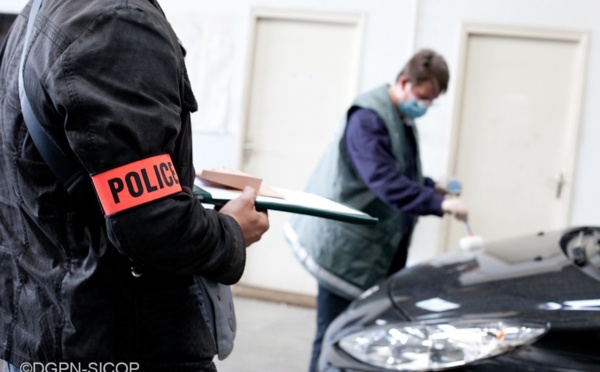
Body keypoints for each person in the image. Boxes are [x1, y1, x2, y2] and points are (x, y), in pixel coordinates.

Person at [0, 0, 269, 371]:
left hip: (41, 326)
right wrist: (232, 232)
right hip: (115, 339)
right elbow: (152, 225)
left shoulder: (44, 10)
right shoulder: (116, 24)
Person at [285, 49, 469, 371]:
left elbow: (397, 170)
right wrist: (439, 204)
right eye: (423, 98)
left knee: (358, 334)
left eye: (431, 101)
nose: (424, 106)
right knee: (333, 334)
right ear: (404, 82)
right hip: (343, 248)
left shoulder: (400, 116)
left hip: (366, 246)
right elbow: (384, 181)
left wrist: (430, 186)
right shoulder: (368, 118)